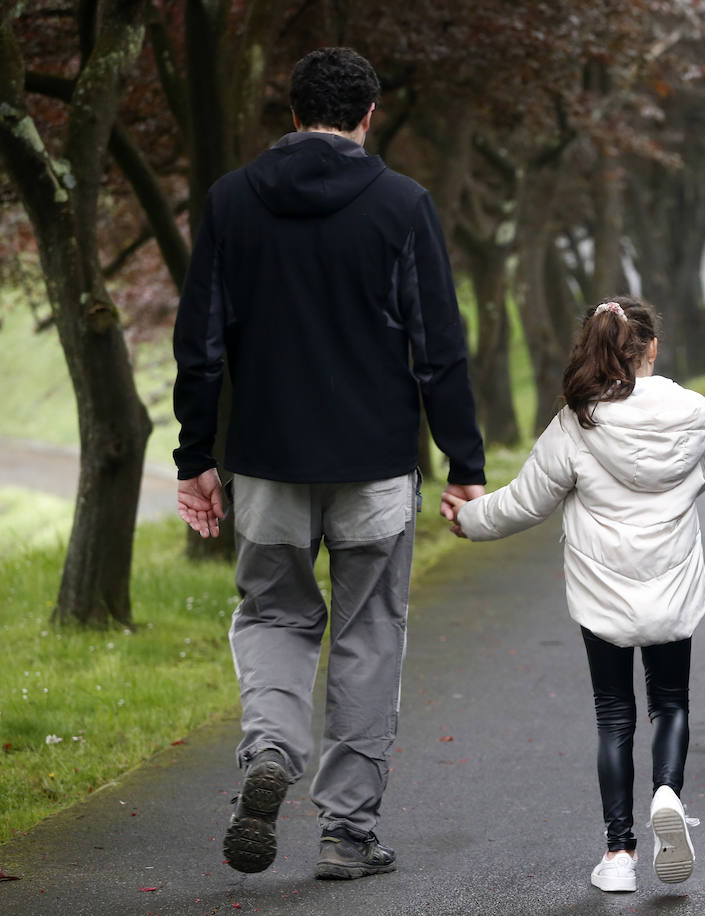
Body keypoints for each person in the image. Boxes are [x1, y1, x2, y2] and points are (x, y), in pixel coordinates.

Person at [172, 47, 486, 879]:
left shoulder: (233, 203)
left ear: (293, 110)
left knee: (274, 615)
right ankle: (347, 831)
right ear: (369, 116)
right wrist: (464, 460)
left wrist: (195, 455)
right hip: (376, 463)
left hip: (267, 462)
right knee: (369, 633)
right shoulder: (402, 205)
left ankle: (272, 750)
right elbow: (439, 347)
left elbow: (199, 343)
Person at [445, 297, 705, 894]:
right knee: (671, 705)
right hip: (672, 584)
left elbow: (525, 501)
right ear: (650, 350)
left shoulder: (578, 423)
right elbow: (702, 478)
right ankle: (668, 792)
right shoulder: (696, 419)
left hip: (606, 594)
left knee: (614, 716)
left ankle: (619, 854)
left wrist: (469, 519)